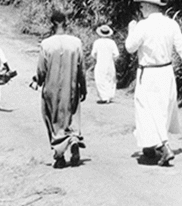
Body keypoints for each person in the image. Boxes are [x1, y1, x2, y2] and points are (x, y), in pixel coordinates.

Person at [125, 0, 182, 167]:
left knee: (146, 110)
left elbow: (130, 47)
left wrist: (131, 30)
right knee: (161, 110)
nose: (141, 8)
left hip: (149, 73)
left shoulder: (142, 26)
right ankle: (149, 146)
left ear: (150, 6)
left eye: (142, 5)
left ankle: (162, 146)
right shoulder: (171, 24)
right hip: (166, 72)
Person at [34, 10, 87, 168]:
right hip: (71, 87)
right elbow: (82, 68)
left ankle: (59, 154)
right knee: (72, 114)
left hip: (52, 89)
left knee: (53, 118)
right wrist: (83, 87)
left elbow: (41, 70)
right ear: (66, 23)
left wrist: (38, 80)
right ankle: (74, 139)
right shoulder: (76, 43)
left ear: (51, 24)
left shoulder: (46, 44)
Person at [90, 24, 119, 103]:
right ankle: (109, 96)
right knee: (110, 79)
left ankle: (104, 97)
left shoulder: (97, 42)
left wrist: (97, 58)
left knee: (100, 79)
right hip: (110, 63)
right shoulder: (112, 42)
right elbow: (116, 54)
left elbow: (93, 54)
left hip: (100, 63)